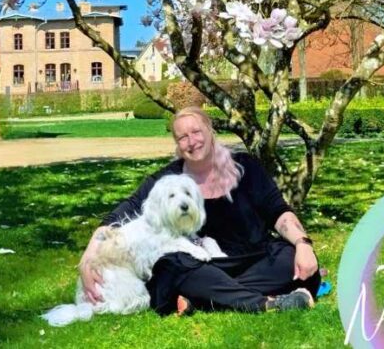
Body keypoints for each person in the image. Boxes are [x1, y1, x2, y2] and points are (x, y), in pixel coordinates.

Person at [77, 106, 321, 315]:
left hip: (252, 259)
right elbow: (124, 211)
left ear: (210, 131)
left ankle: (203, 298)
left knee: (291, 257)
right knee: (173, 265)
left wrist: (303, 243)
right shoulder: (167, 180)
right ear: (177, 145)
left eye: (196, 132)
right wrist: (90, 255)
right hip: (198, 267)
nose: (191, 141)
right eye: (182, 137)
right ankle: (265, 304)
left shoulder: (246, 168)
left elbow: (278, 211)